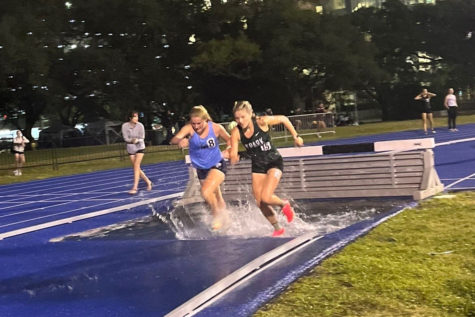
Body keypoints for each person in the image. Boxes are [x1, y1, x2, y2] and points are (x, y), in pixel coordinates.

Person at [229, 100, 304, 237]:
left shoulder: (261, 122)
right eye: (237, 118)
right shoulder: (236, 132)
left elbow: (283, 119)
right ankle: (277, 228)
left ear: (250, 114)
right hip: (258, 165)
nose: (240, 121)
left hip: (273, 161)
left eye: (243, 117)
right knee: (260, 202)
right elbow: (233, 154)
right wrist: (232, 156)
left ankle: (283, 204)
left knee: (266, 197)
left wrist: (296, 136)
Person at [170, 105, 231, 231]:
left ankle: (217, 216)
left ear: (205, 120)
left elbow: (231, 140)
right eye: (193, 123)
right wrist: (181, 141)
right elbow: (174, 139)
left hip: (216, 164)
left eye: (199, 123)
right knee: (216, 196)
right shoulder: (189, 129)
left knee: (206, 192)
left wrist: (228, 150)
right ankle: (226, 219)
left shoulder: (215, 128)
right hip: (201, 168)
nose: (196, 127)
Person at [122, 111, 152, 195]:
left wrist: (137, 140)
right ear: (130, 118)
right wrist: (131, 140)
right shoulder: (124, 126)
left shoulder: (140, 125)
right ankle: (148, 181)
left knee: (136, 166)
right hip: (130, 148)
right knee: (137, 168)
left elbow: (142, 137)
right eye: (135, 117)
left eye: (137, 117)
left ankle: (135, 187)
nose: (137, 118)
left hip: (139, 147)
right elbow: (125, 138)